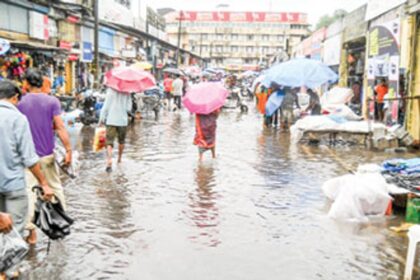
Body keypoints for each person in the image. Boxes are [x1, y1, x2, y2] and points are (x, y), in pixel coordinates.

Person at [18, 69, 71, 244]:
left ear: (26, 83)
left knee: (29, 193)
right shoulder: (52, 101)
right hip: (47, 155)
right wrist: (68, 150)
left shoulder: (19, 102)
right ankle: (62, 224)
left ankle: (31, 233)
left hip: (26, 158)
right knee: (55, 188)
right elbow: (60, 127)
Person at [99, 87, 132, 173]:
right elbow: (129, 108)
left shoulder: (110, 91)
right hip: (122, 121)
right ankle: (119, 159)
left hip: (111, 120)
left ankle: (109, 160)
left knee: (109, 141)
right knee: (121, 141)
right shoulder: (128, 92)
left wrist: (101, 119)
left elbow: (105, 107)